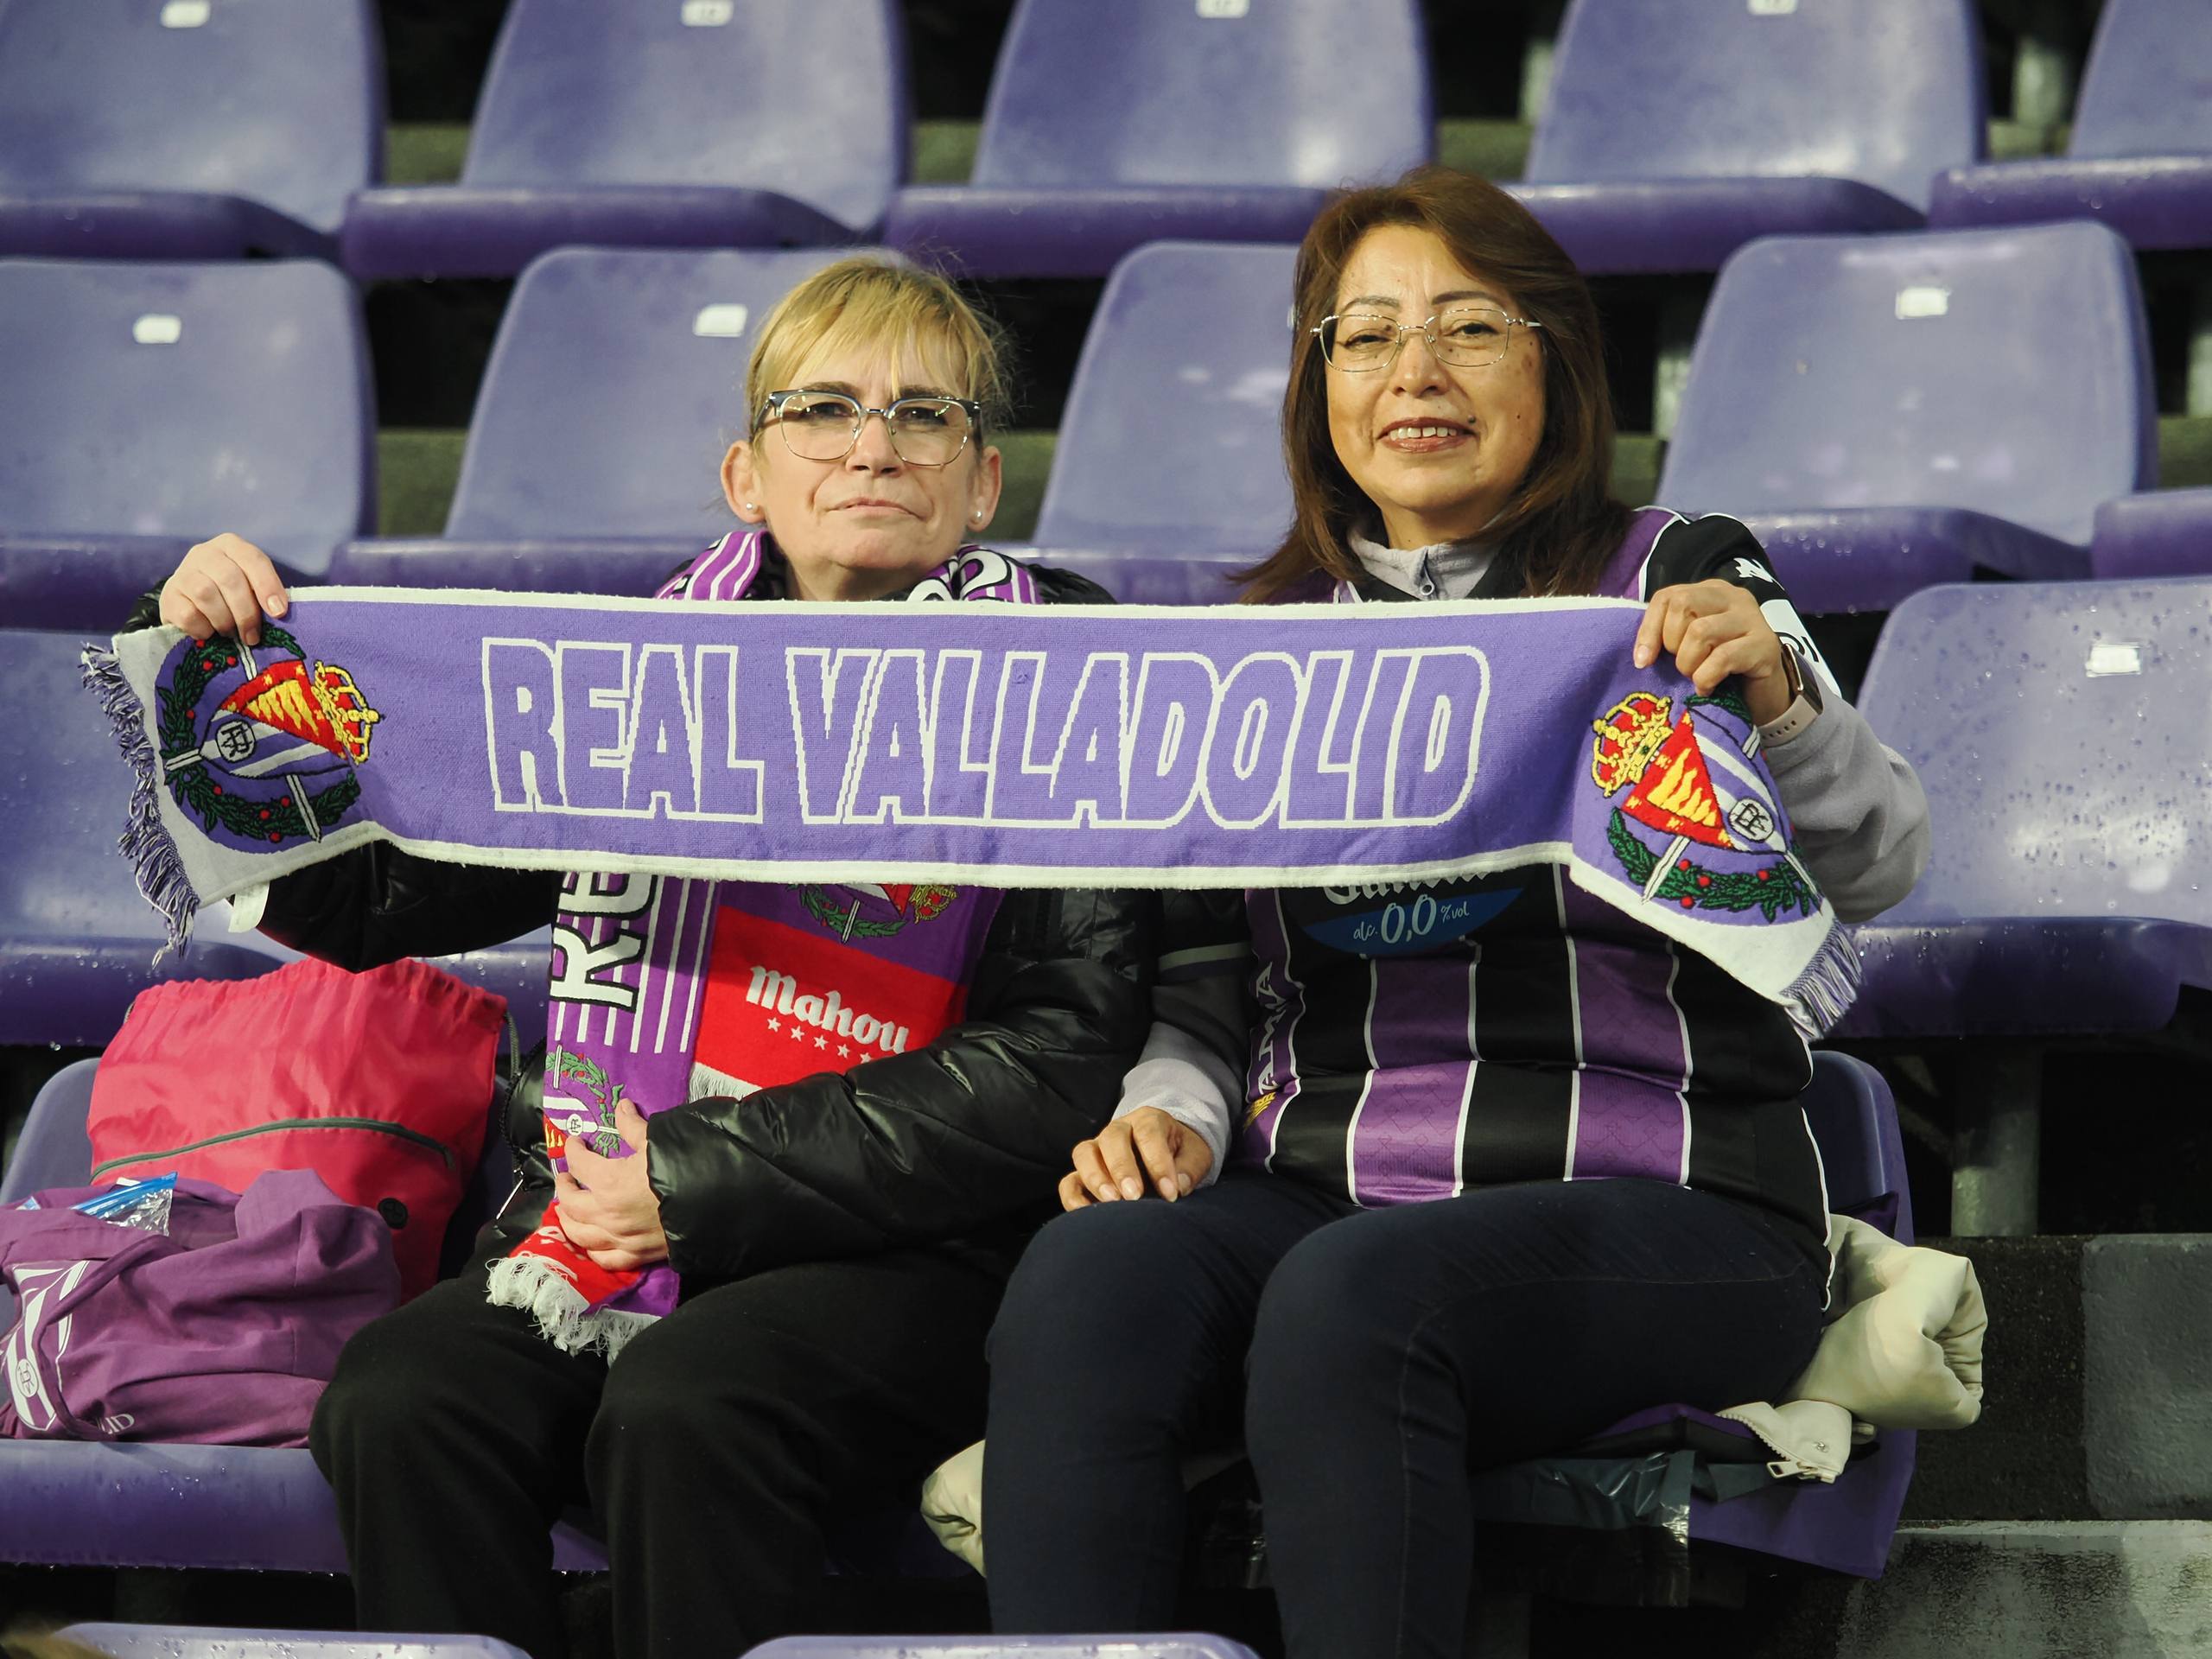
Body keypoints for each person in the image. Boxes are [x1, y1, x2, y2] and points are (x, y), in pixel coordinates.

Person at [137, 257, 1154, 1659]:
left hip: (929, 1250)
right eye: (825, 411)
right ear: (748, 475)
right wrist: (203, 662)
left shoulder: (1073, 670)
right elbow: (376, 899)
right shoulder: (631, 672)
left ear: (983, 484)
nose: (874, 446)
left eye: (926, 416)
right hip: (599, 1225)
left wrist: (694, 1181)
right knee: (398, 1397)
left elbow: (1059, 1063)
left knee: (687, 1407)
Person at [982, 168, 1931, 1658]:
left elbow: (1876, 863)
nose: (1413, 372)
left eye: (1470, 327)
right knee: (1087, 1282)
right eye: (1362, 338)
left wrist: (1787, 704)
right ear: (1318, 391)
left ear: (1554, 363)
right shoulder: (1262, 651)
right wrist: (1173, 1094)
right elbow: (1211, 974)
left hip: (1672, 1196)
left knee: (1354, 1298)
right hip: (1329, 1176)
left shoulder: (1676, 577)